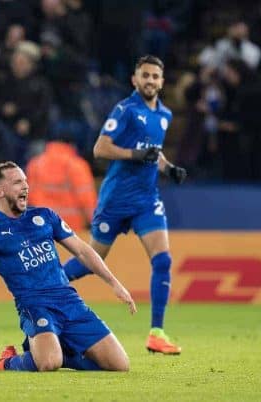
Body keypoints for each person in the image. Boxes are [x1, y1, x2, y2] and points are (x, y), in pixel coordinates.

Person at [0, 161, 136, 372]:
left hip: (69, 301)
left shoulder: (44, 216)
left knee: (120, 365)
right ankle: (8, 361)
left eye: (25, 181)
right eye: (17, 182)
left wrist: (114, 284)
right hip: (34, 305)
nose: (25, 186)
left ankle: (62, 352)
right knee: (49, 363)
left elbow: (82, 251)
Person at [62, 55, 187, 355]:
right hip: (116, 200)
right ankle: (45, 283)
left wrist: (168, 168)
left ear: (162, 81)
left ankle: (157, 332)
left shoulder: (165, 115)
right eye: (145, 75)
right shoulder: (126, 109)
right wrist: (134, 155)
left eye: (155, 76)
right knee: (89, 263)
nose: (150, 81)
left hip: (146, 201)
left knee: (163, 260)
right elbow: (100, 148)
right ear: (134, 79)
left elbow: (153, 153)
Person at [25, 132, 96, 232]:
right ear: (71, 145)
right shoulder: (77, 165)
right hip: (71, 227)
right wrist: (95, 224)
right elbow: (86, 199)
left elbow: (28, 197)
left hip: (42, 225)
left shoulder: (35, 164)